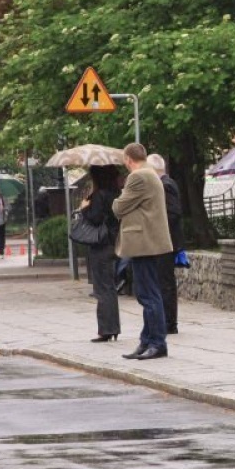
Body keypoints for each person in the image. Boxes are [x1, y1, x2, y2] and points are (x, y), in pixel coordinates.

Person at [112, 143, 173, 361]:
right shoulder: (151, 173)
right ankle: (147, 340)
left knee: (148, 295)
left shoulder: (138, 177)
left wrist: (118, 199)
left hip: (143, 241)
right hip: (147, 241)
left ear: (128, 159)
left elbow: (118, 208)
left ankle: (157, 342)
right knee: (148, 292)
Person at [80, 165, 121, 343]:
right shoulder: (116, 193)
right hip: (112, 242)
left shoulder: (99, 195)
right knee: (109, 286)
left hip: (100, 245)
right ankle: (112, 328)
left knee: (102, 288)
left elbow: (95, 218)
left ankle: (107, 329)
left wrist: (84, 208)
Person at [148, 154, 183, 334]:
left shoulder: (165, 185)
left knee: (165, 282)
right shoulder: (165, 184)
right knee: (162, 281)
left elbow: (173, 213)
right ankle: (166, 320)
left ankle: (170, 323)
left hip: (165, 242)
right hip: (163, 241)